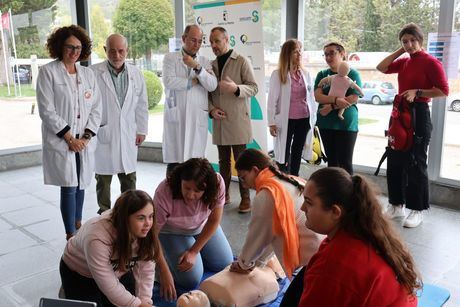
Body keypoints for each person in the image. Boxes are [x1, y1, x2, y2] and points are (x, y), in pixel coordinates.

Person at [280, 167, 420, 306]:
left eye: (309, 202)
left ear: (335, 212)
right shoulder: (365, 233)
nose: (302, 208)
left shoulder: (332, 265)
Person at [376, 23, 449, 228]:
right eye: (405, 41)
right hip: (400, 113)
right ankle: (396, 204)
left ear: (420, 40)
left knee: (416, 162)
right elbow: (381, 67)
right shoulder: (405, 61)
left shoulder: (431, 62)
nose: (409, 45)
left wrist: (418, 92)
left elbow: (443, 91)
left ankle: (416, 210)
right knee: (395, 158)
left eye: (412, 41)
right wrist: (401, 50)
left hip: (419, 114)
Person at [36, 25, 101, 240]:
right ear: (59, 47)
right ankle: (70, 233)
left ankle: (78, 224)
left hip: (83, 141)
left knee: (81, 183)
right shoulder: (48, 72)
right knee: (69, 185)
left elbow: (96, 108)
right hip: (63, 140)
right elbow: (47, 110)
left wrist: (85, 138)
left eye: (78, 47)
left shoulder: (88, 74)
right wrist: (69, 138)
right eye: (70, 47)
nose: (74, 52)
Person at [229, 149, 322, 278]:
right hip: (321, 252)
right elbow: (274, 233)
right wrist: (255, 263)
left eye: (243, 178)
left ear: (255, 170)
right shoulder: (290, 180)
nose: (244, 185)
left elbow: (257, 236)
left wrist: (243, 264)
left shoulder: (267, 194)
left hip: (309, 266)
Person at [60, 190, 159, 307]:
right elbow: (108, 284)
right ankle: (69, 293)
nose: (148, 223)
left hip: (118, 268)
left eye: (151, 216)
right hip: (80, 273)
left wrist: (144, 301)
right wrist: (137, 305)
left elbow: (145, 271)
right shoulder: (97, 237)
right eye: (141, 218)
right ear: (125, 219)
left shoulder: (146, 233)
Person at [153, 158, 233, 293]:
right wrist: (163, 271)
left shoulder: (218, 183)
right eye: (187, 188)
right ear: (180, 181)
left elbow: (214, 220)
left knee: (224, 263)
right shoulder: (165, 190)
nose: (190, 195)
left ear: (207, 188)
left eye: (197, 191)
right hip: (171, 231)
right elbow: (152, 235)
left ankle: (193, 251)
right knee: (190, 280)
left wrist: (194, 251)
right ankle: (166, 256)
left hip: (201, 226)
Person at [91, 34, 149, 215]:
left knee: (129, 179)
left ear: (127, 51)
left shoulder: (135, 74)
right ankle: (104, 214)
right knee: (103, 180)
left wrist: (141, 129)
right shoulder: (93, 73)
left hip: (129, 133)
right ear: (105, 50)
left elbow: (142, 104)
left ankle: (129, 213)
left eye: (121, 51)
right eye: (112, 51)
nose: (117, 55)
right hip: (104, 133)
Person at [208, 26, 258, 213]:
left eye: (217, 41)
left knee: (241, 162)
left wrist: (235, 88)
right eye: (211, 42)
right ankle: (224, 195)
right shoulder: (210, 66)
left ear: (227, 40)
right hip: (220, 121)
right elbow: (207, 93)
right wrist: (211, 110)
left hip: (237, 121)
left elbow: (253, 88)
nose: (213, 45)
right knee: (223, 162)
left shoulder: (241, 60)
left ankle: (246, 199)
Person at [162, 25, 218, 176]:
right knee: (175, 165)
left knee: (195, 166)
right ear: (183, 39)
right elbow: (168, 81)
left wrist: (198, 68)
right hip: (177, 116)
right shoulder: (170, 58)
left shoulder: (204, 62)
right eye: (193, 40)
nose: (197, 44)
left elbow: (212, 85)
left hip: (196, 116)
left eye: (200, 41)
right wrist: (190, 83)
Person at [267, 39, 317, 176]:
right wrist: (271, 122)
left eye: (300, 50)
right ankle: (283, 177)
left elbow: (311, 98)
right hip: (286, 120)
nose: (299, 54)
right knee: (283, 151)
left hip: (304, 119)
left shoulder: (306, 74)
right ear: (287, 54)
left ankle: (295, 177)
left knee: (298, 150)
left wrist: (314, 118)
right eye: (296, 51)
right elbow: (272, 100)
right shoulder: (278, 74)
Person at [314, 42, 362, 174]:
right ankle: (333, 193)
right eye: (326, 54)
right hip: (326, 123)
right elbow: (317, 96)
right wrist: (336, 100)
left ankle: (349, 195)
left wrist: (330, 106)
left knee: (345, 163)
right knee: (332, 163)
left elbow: (353, 98)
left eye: (332, 53)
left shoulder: (353, 74)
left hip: (346, 124)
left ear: (342, 54)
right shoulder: (323, 74)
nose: (328, 57)